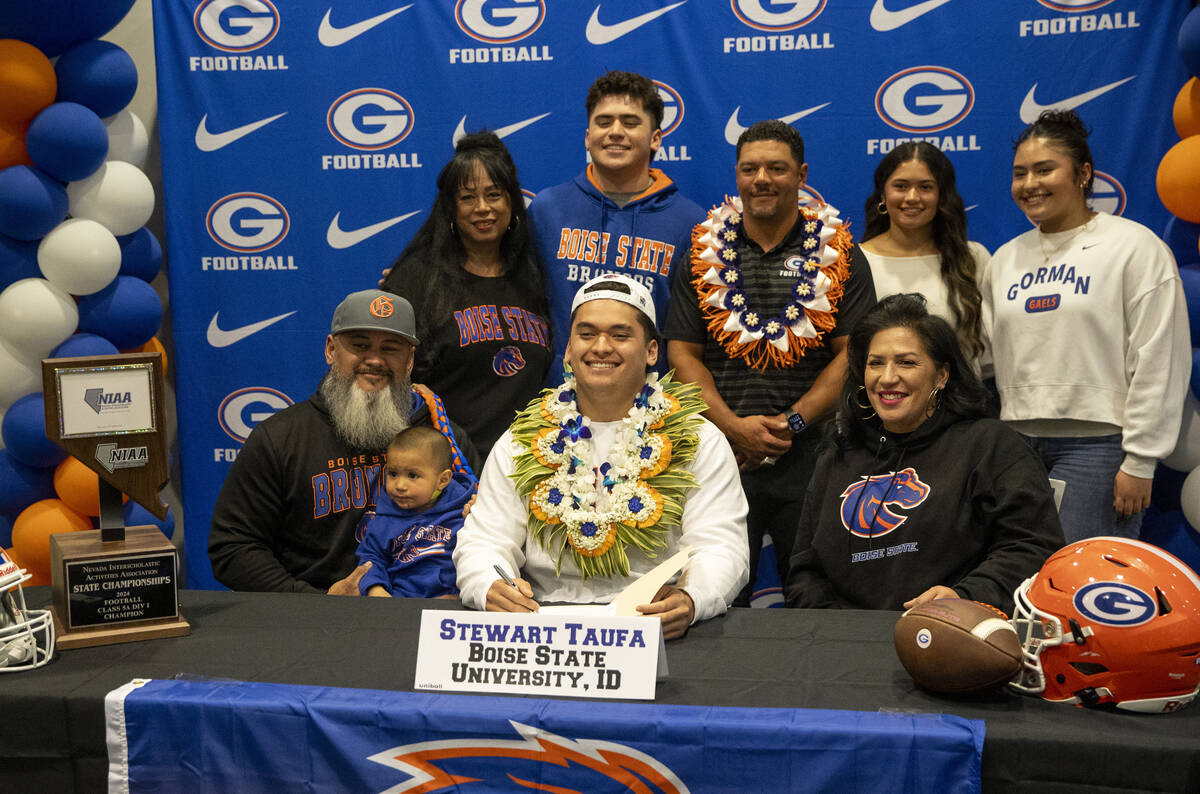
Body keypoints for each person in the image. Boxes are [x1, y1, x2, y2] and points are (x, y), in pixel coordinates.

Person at [453, 275, 749, 640]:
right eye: (587, 334)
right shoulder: (520, 439)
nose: (601, 347)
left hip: (656, 628)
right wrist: (488, 585)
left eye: (621, 335)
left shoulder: (699, 439)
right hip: (543, 627)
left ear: (652, 351)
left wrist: (692, 598)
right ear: (568, 350)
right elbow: (485, 541)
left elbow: (721, 546)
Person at [664, 120, 876, 603]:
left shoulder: (841, 252)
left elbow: (854, 355)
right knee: (708, 593)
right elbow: (682, 352)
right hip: (720, 455)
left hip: (813, 456)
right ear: (736, 175)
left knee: (813, 596)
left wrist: (791, 423)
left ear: (801, 175)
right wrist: (734, 427)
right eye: (750, 168)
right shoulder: (701, 249)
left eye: (776, 168)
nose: (762, 178)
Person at [981, 109, 1190, 543]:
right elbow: (986, 357)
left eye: (1044, 169)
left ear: (1083, 173)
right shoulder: (1005, 259)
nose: (1030, 184)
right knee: (1021, 572)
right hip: (1017, 442)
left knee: (1082, 585)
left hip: (1099, 448)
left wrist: (1140, 460)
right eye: (1020, 174)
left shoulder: (1134, 247)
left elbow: (1159, 359)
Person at [785, 294, 1064, 613]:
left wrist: (965, 597)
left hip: (954, 635)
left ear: (942, 375)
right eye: (875, 363)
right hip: (844, 645)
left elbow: (1032, 547)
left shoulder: (990, 445)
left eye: (906, 362)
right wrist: (840, 631)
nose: (887, 378)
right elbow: (806, 571)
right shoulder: (838, 454)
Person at [209, 289, 480, 594]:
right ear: (330, 350)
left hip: (427, 617)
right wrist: (316, 602)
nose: (375, 360)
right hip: (312, 622)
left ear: (409, 360)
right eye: (359, 345)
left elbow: (487, 536)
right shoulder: (280, 438)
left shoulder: (444, 439)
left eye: (391, 348)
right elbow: (232, 548)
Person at [381, 132, 552, 461]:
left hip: (527, 469)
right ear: (451, 209)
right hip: (447, 472)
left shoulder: (535, 276)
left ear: (512, 204)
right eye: (468, 198)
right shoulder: (418, 278)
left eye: (494, 195)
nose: (483, 208)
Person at [529, 70, 703, 373]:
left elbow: (690, 333)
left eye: (630, 122)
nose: (616, 131)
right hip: (561, 401)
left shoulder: (690, 222)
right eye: (604, 121)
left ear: (656, 138)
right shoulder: (547, 209)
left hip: (654, 403)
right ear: (587, 137)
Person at [860, 142, 988, 362]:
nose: (912, 197)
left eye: (925, 187)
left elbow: (988, 355)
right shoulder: (857, 261)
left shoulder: (972, 257)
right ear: (883, 195)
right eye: (900, 186)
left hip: (961, 395)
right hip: (881, 394)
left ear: (941, 196)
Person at [355, 426, 475, 598]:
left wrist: (478, 518)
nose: (400, 486)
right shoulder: (384, 518)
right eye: (393, 474)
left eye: (412, 476)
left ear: (442, 480)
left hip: (456, 601)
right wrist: (376, 589)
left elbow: (486, 549)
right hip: (401, 603)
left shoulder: (466, 507)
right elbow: (372, 558)